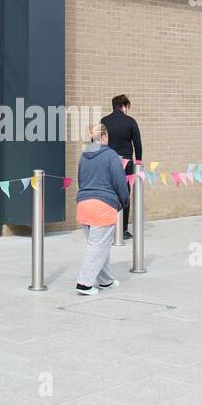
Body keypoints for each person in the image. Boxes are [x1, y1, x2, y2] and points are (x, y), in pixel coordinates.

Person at [74, 124, 129, 296]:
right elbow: (120, 182)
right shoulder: (111, 156)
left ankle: (106, 281)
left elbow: (80, 180)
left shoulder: (84, 156)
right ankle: (84, 283)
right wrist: (124, 201)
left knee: (99, 244)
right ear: (104, 136)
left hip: (84, 205)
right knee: (97, 246)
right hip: (103, 206)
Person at [100, 94, 142, 240]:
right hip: (126, 163)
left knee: (108, 193)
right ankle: (123, 229)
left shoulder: (104, 121)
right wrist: (139, 161)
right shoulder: (130, 122)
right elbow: (137, 143)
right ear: (124, 106)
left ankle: (108, 227)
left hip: (107, 161)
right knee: (124, 194)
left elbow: (99, 142)